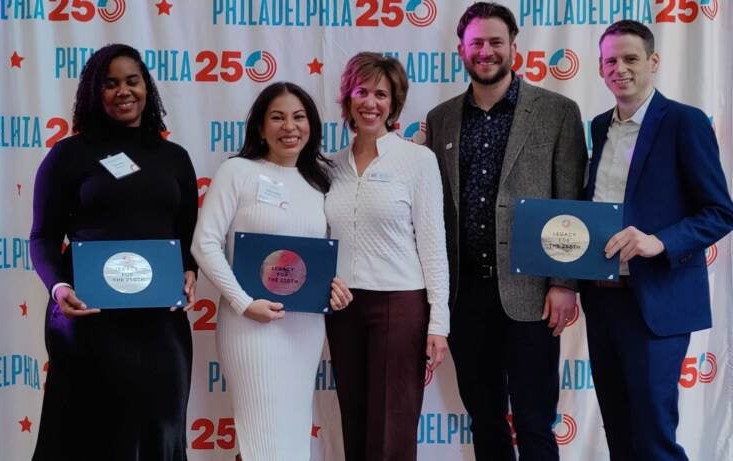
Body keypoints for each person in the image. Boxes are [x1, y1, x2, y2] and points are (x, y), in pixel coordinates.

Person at [425, 3, 587, 460]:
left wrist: (563, 283)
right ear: (461, 50)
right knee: (485, 419)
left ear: (514, 47)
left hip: (533, 295)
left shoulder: (557, 111)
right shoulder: (441, 120)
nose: (486, 51)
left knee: (535, 421)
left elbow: (570, 203)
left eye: (496, 41)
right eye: (476, 43)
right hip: (465, 296)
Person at [30, 44, 198, 461]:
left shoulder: (175, 158)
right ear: (94, 92)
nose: (123, 91)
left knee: (160, 429)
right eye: (110, 83)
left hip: (159, 322)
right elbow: (42, 237)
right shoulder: (68, 155)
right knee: (91, 436)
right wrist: (59, 288)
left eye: (132, 80)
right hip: (89, 319)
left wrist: (190, 269)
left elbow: (188, 236)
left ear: (147, 87)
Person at [582, 20, 733, 461]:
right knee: (620, 432)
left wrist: (659, 242)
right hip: (603, 300)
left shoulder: (684, 122)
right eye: (611, 60)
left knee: (653, 439)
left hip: (656, 302)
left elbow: (721, 212)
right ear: (600, 68)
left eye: (631, 59)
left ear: (654, 62)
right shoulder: (597, 126)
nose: (620, 69)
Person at [191, 81, 352, 460]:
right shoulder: (238, 172)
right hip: (251, 326)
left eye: (298, 117)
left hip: (305, 329)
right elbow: (204, 243)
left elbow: (325, 254)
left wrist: (336, 284)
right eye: (277, 117)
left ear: (311, 125)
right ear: (261, 127)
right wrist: (244, 303)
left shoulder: (320, 183)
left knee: (294, 435)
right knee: (262, 439)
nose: (289, 127)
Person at [324, 52, 449, 461]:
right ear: (347, 98)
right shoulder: (329, 166)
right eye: (362, 91)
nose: (370, 102)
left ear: (394, 105)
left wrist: (439, 323)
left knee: (391, 427)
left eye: (381, 94)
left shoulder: (417, 160)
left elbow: (433, 243)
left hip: (400, 305)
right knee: (355, 420)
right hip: (342, 308)